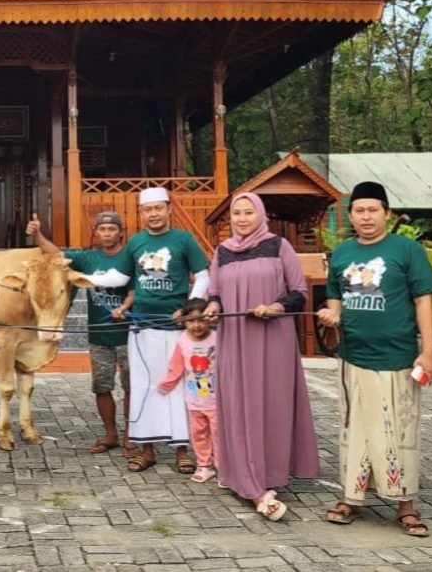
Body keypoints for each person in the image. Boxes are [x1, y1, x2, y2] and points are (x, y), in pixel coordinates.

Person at [316, 182, 432, 536]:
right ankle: (352, 498)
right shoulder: (341, 253)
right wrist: (331, 315)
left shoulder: (406, 250)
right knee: (353, 430)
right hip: (353, 357)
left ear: (386, 213)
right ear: (350, 216)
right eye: (359, 211)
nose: (366, 217)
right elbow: (336, 299)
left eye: (373, 210)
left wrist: (428, 349)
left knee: (401, 431)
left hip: (398, 357)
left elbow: (423, 300)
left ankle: (406, 504)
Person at [202, 191, 318, 521]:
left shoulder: (279, 245)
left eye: (248, 213)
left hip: (273, 339)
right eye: (236, 213)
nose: (241, 219)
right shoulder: (222, 251)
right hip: (235, 340)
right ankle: (242, 474)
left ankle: (270, 473)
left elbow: (298, 293)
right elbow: (216, 293)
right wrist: (212, 308)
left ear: (260, 215)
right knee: (239, 403)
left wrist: (275, 307)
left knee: (271, 402)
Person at [26, 209, 134, 455]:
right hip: (98, 334)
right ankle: (110, 434)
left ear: (121, 232)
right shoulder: (88, 258)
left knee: (131, 387)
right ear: (95, 232)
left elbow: (134, 289)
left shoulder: (129, 256)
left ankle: (131, 434)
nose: (107, 233)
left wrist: (126, 306)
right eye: (102, 229)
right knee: (102, 386)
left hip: (128, 334)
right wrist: (38, 235)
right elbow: (56, 254)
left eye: (112, 229)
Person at [124, 186, 210, 474]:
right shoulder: (135, 242)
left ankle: (182, 450)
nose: (154, 214)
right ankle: (146, 450)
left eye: (158, 208)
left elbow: (203, 275)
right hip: (142, 328)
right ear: (141, 213)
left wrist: (187, 308)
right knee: (144, 387)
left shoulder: (183, 239)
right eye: (148, 209)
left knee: (178, 386)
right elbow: (124, 277)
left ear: (169, 209)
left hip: (175, 330)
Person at [156, 297, 218, 483]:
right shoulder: (182, 341)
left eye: (201, 320)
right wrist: (166, 384)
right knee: (199, 435)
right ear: (184, 322)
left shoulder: (218, 339)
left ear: (210, 318)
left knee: (219, 436)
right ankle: (204, 465)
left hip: (217, 401)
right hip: (194, 401)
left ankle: (224, 468)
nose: (197, 325)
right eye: (191, 320)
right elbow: (176, 366)